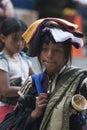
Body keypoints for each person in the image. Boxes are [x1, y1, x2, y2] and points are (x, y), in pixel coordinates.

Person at [0, 17, 87, 130]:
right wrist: (35, 113)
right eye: (45, 49)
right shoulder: (32, 84)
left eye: (56, 50)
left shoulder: (79, 80)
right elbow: (14, 122)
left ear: (66, 54)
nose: (49, 55)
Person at [0, 17, 35, 123]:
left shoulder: (24, 58)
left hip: (22, 108)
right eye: (15, 39)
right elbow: (5, 90)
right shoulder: (2, 61)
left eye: (22, 39)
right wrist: (28, 88)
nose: (19, 43)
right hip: (6, 109)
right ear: (3, 38)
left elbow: (35, 78)